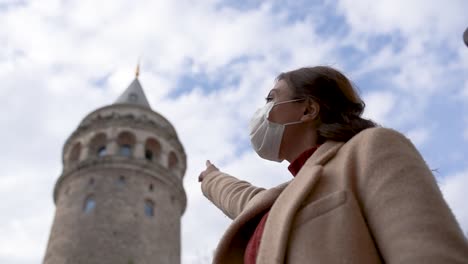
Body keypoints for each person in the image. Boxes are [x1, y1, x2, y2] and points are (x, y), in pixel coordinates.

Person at [198, 66, 468, 263]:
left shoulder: (371, 147)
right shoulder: (283, 200)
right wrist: (212, 179)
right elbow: (246, 200)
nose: (262, 111)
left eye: (271, 98)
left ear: (308, 110)